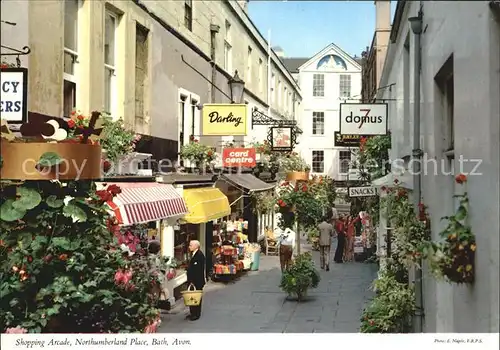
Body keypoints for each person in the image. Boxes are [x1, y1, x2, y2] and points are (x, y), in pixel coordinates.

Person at [186, 240, 206, 321]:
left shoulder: (199, 255)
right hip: (193, 281)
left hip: (196, 281)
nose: (189, 246)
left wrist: (192, 281)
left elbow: (197, 270)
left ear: (196, 246)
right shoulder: (193, 254)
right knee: (192, 297)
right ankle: (192, 313)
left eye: (191, 245)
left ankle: (196, 314)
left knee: (196, 297)